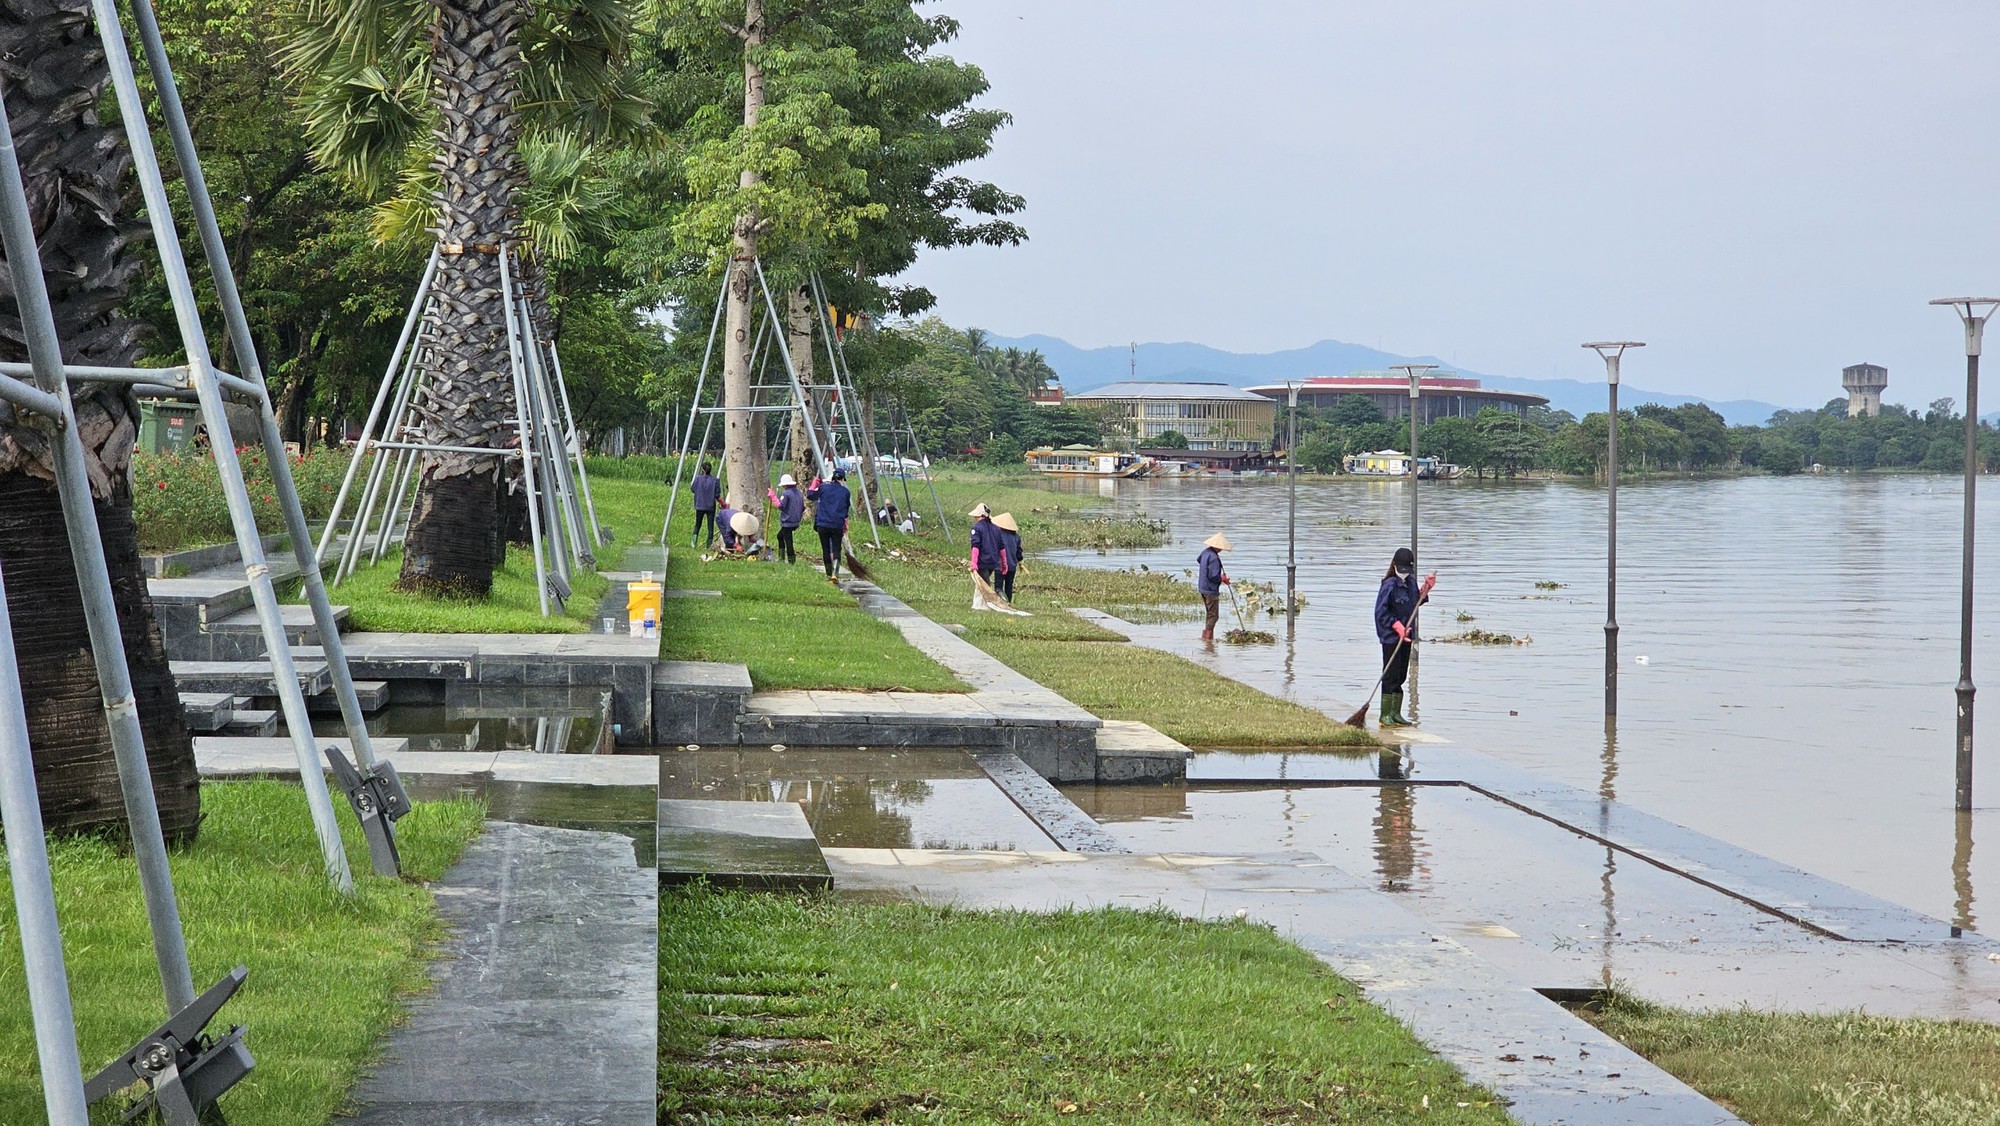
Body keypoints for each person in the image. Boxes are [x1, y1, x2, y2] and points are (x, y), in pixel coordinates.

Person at [1373, 546, 1438, 727]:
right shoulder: (1389, 585)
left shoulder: (1410, 583)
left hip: (1407, 635)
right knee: (1390, 675)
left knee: (1401, 675)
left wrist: (1426, 588)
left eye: (1407, 571)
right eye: (1401, 570)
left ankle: (1396, 713)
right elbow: (1380, 612)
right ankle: (1385, 715)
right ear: (1394, 566)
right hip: (1391, 637)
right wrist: (1396, 625)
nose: (1404, 574)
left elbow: (1415, 600)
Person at [807, 467, 851, 579]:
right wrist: (845, 523)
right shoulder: (846, 492)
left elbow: (810, 495)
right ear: (842, 479)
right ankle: (835, 574)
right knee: (836, 548)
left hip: (822, 524)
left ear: (832, 478)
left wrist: (814, 483)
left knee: (825, 549)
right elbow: (846, 510)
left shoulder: (823, 488)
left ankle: (828, 573)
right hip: (837, 525)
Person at [1195, 533, 1232, 641]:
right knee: (1214, 616)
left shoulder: (1205, 552)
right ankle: (1207, 640)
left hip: (1202, 587)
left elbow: (1199, 560)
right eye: (1220, 548)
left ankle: (1207, 638)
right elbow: (1213, 576)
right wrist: (1222, 579)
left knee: (1209, 614)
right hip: (1210, 590)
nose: (1221, 550)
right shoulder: (1214, 558)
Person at [968, 502, 1004, 591]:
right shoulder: (996, 528)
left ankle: (989, 602)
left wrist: (973, 563)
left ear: (978, 516)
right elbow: (1002, 547)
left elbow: (975, 546)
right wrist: (1004, 563)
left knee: (985, 587)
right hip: (994, 562)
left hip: (982, 562)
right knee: (982, 585)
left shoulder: (976, 528)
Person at [769, 473, 804, 564]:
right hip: (796, 520)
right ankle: (782, 557)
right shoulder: (799, 493)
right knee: (780, 536)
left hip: (788, 521)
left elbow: (781, 505)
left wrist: (773, 497)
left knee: (788, 541)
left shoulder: (786, 493)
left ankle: (790, 560)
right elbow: (803, 507)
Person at [993, 512, 1023, 602]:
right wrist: (1021, 563)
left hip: (1000, 565)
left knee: (998, 588)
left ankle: (1004, 602)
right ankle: (1009, 603)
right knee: (1009, 587)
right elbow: (1019, 552)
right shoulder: (1016, 537)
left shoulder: (998, 534)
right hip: (1012, 566)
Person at [690, 461, 720, 548]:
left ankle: (693, 543)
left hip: (699, 505)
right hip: (710, 506)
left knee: (697, 524)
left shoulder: (698, 479)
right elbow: (717, 495)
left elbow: (692, 489)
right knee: (710, 526)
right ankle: (709, 545)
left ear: (702, 469)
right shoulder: (715, 481)